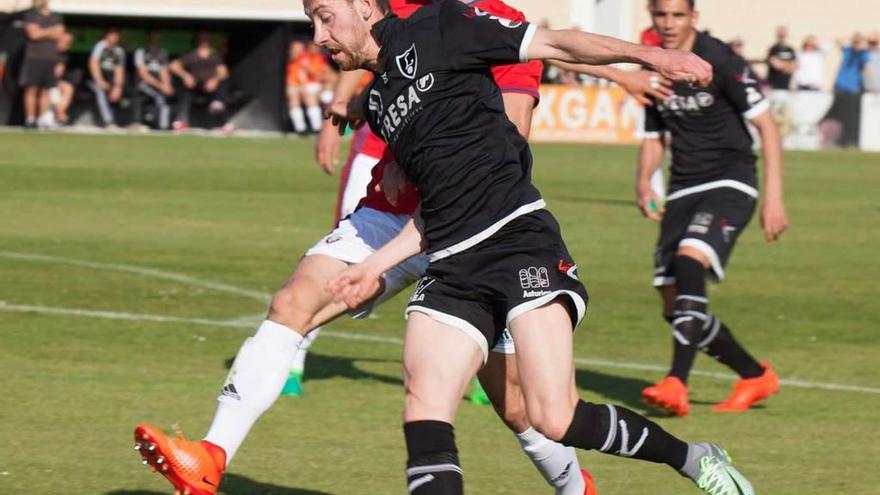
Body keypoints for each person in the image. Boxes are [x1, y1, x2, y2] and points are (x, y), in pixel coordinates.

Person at [133, 2, 600, 495]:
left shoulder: (496, 22)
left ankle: (576, 488)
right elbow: (362, 61)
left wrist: (415, 155)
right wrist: (361, 112)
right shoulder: (390, 10)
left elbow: (511, 131)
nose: (318, 33)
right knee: (294, 301)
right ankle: (211, 456)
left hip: (476, 223)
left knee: (516, 402)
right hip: (389, 214)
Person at [321, 1, 752, 494]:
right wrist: (374, 265)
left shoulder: (440, 22)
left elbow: (554, 42)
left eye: (324, 15)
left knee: (555, 417)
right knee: (424, 408)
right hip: (450, 269)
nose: (318, 35)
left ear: (361, 8)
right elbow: (437, 209)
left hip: (518, 246)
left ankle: (693, 458)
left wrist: (650, 58)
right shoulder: (380, 104)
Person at [635, 0, 787, 418]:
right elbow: (653, 136)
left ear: (693, 18)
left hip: (729, 180)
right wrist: (644, 179)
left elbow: (767, 126)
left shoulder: (719, 59)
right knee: (673, 300)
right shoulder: (652, 67)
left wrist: (773, 198)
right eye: (660, 15)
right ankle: (754, 375)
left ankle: (676, 382)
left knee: (690, 262)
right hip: (682, 188)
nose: (668, 24)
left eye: (677, 15)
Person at [170, 31, 232, 131]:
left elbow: (224, 72)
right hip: (195, 86)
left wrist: (214, 80)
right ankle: (180, 122)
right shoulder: (191, 55)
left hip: (212, 88)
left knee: (223, 84)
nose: (203, 41)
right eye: (201, 39)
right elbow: (173, 66)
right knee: (184, 90)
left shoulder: (214, 56)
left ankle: (225, 122)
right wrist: (185, 75)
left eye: (205, 39)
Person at [19, 0, 64, 129]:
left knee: (46, 91)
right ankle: (30, 119)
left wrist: (42, 32)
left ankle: (41, 119)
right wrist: (50, 31)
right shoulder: (30, 15)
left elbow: (59, 33)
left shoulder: (56, 16)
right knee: (31, 89)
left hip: (50, 58)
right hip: (34, 58)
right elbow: (33, 34)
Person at [133, 30, 174, 130]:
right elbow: (143, 74)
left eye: (156, 36)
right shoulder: (141, 52)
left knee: (165, 96)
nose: (154, 38)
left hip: (157, 85)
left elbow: (164, 72)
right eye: (152, 36)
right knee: (160, 97)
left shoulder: (162, 52)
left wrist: (167, 85)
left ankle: (163, 127)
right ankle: (140, 123)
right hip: (143, 84)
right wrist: (161, 86)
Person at [87, 28, 126, 128]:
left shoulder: (119, 50)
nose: (115, 37)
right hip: (93, 79)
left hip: (109, 80)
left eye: (116, 35)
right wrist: (100, 81)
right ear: (107, 36)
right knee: (100, 90)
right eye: (112, 35)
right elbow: (93, 63)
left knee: (117, 92)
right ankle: (108, 121)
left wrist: (118, 87)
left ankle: (121, 121)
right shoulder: (100, 46)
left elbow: (119, 70)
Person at [765, 26, 797, 91]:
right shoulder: (773, 49)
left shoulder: (790, 49)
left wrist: (782, 64)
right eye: (780, 35)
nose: (782, 36)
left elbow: (794, 66)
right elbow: (775, 65)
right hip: (774, 85)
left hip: (786, 85)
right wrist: (788, 65)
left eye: (783, 34)